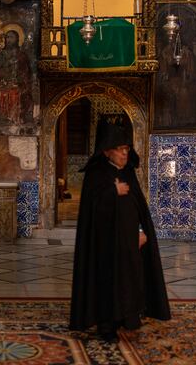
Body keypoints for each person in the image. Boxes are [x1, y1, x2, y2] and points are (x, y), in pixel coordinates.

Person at [69, 118, 171, 343]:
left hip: (130, 243)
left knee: (130, 280)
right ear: (107, 152)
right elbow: (93, 212)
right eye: (120, 150)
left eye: (127, 149)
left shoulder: (128, 173)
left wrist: (142, 230)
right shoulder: (96, 175)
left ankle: (128, 319)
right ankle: (107, 326)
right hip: (105, 248)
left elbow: (138, 208)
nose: (125, 154)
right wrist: (111, 192)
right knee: (107, 283)